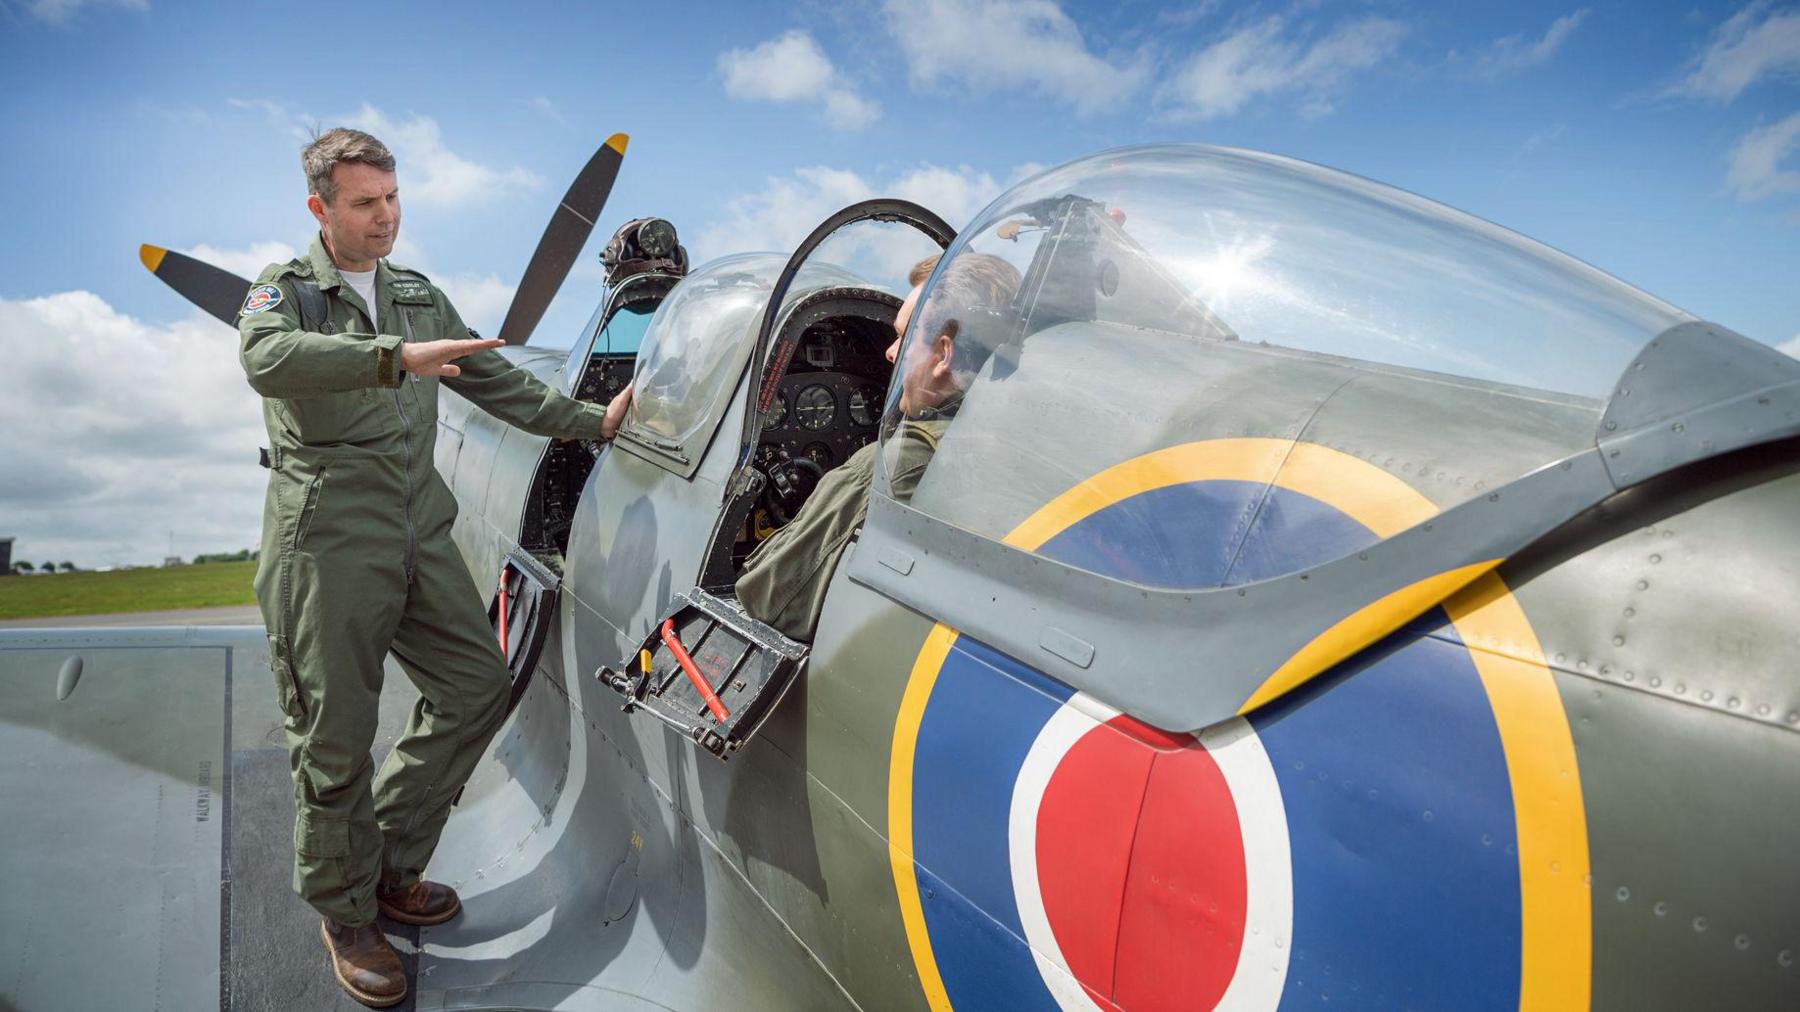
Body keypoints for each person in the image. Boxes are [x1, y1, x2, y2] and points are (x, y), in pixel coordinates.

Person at [239, 127, 624, 1008]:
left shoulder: (416, 295)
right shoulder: (284, 291)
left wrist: (589, 421)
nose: (385, 217)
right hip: (327, 546)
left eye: (392, 198)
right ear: (320, 208)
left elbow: (491, 380)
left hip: (422, 533)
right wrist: (390, 358)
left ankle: (384, 865)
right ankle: (346, 916)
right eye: (364, 203)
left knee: (476, 687)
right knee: (334, 738)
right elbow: (265, 360)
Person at [735, 251, 1021, 640]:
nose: (890, 351)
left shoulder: (891, 466)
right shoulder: (1014, 442)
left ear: (943, 354)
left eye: (904, 337)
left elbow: (769, 600)